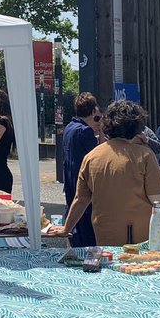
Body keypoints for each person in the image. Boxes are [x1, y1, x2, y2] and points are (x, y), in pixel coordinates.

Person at [57, 100, 160, 246]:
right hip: (141, 239)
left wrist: (66, 228)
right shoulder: (144, 155)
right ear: (137, 126)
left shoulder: (92, 156)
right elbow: (159, 199)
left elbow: (81, 200)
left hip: (104, 235)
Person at [61, 93, 103, 248]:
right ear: (93, 111)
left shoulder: (69, 127)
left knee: (73, 224)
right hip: (82, 182)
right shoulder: (85, 132)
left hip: (70, 179)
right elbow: (98, 156)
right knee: (86, 230)